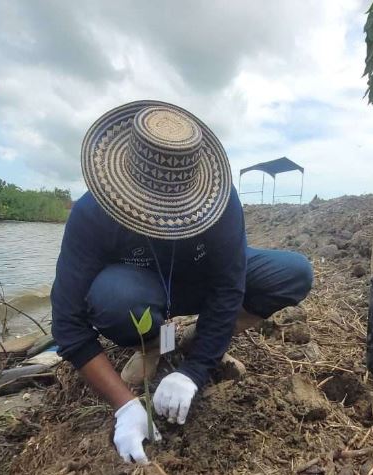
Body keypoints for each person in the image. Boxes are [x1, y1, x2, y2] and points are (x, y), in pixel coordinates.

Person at [51, 100, 312, 464]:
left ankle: (193, 340)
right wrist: (125, 405)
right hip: (140, 290)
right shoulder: (92, 214)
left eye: (175, 211)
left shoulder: (219, 204)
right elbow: (67, 324)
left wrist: (195, 371)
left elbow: (227, 287)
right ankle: (153, 342)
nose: (164, 222)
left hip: (198, 280)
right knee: (115, 298)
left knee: (293, 273)